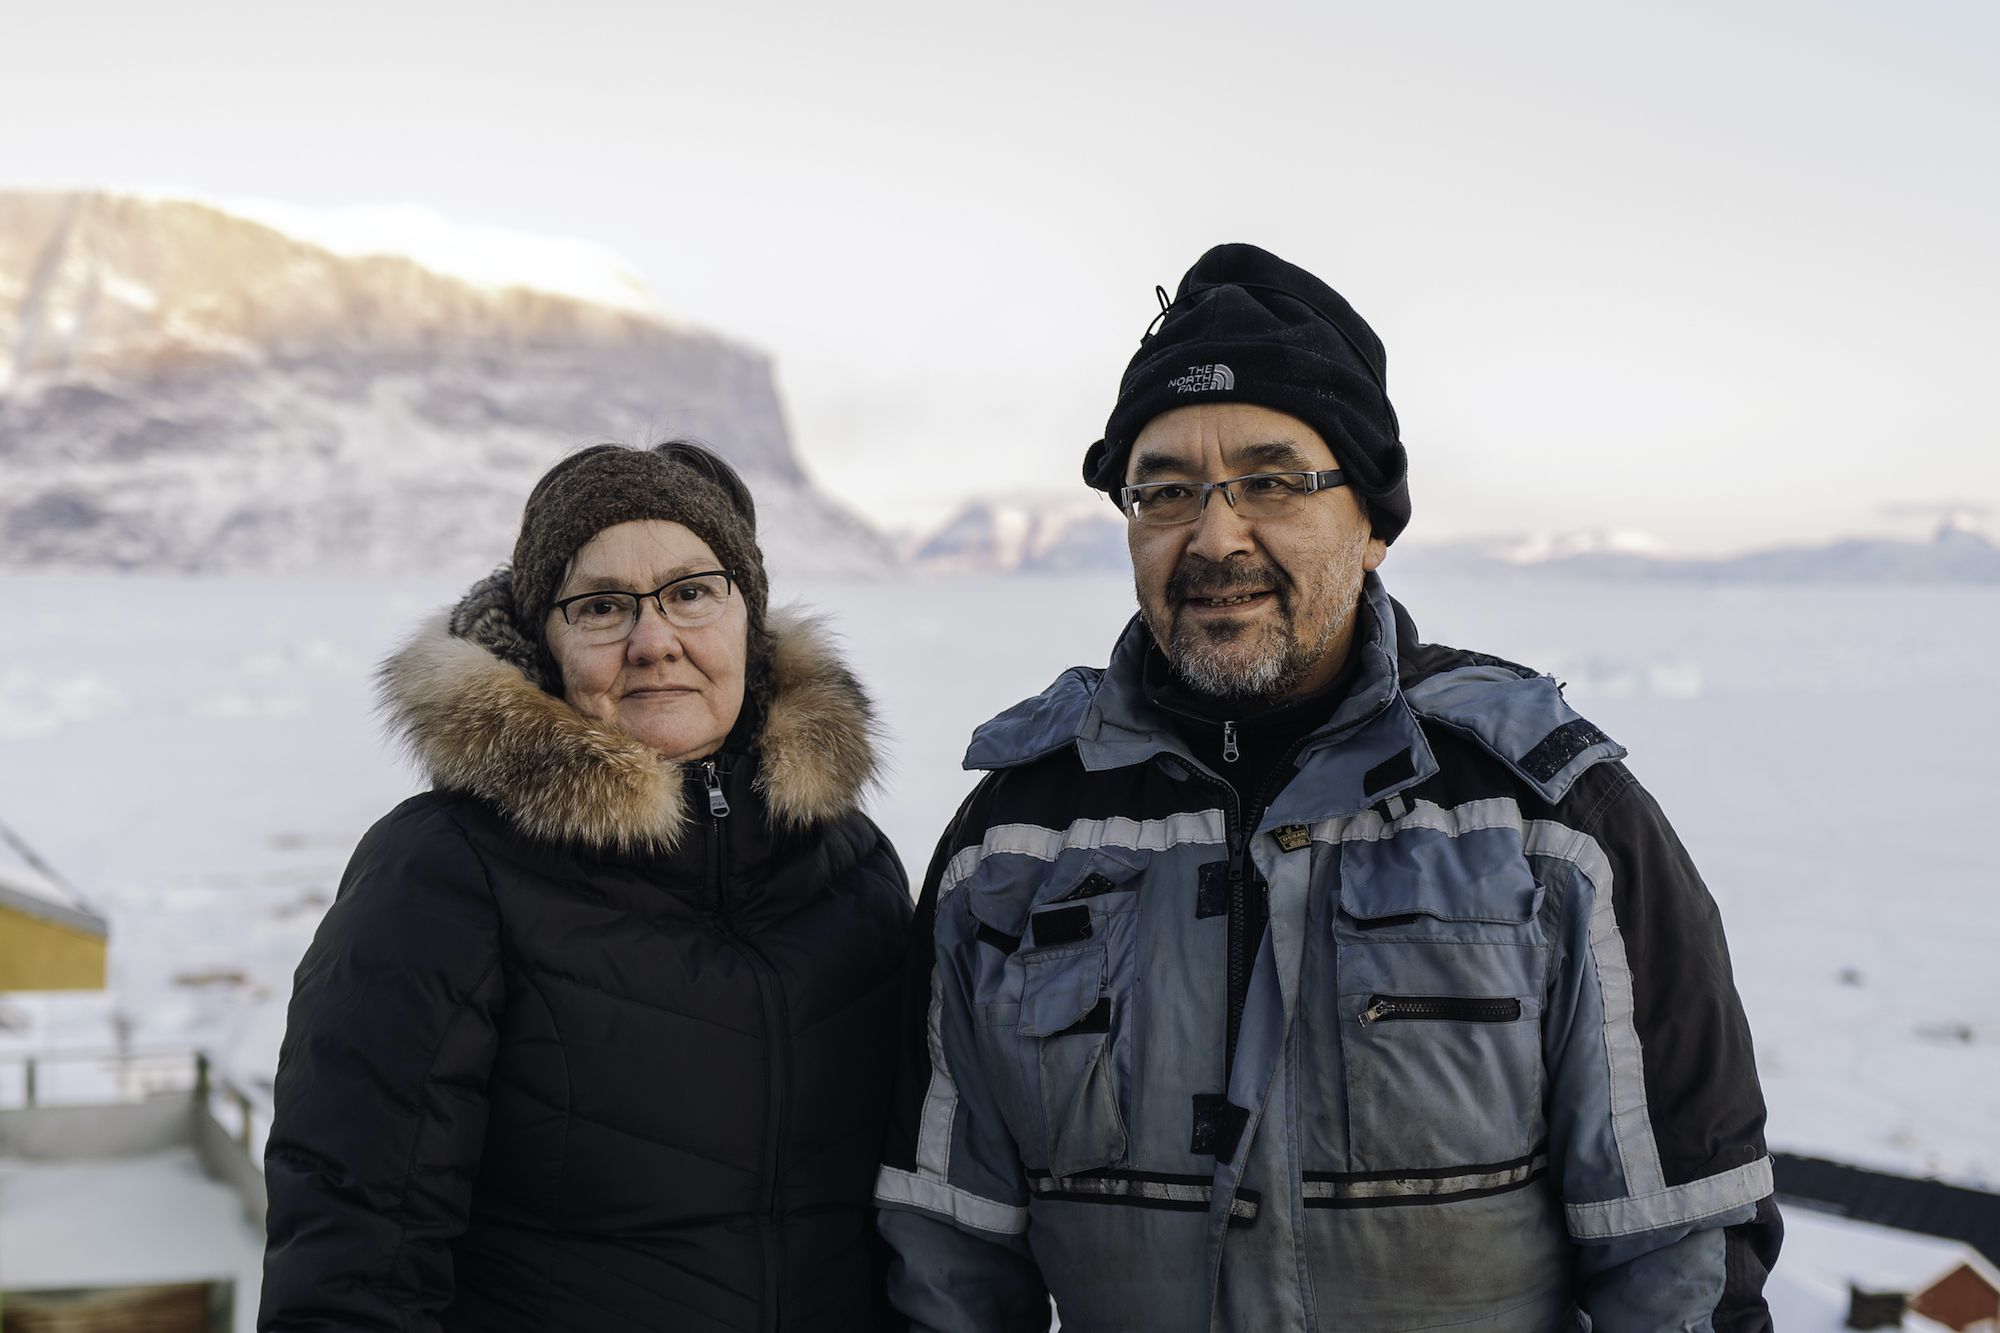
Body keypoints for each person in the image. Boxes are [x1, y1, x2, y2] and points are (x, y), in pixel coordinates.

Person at [873, 245, 1780, 1332]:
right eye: (1164, 490)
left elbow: (1678, 1255)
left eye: (1270, 482)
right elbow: (944, 1261)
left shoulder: (1548, 821)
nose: (1214, 536)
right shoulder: (1014, 839)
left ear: (1373, 521)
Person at [260, 442, 912, 1332]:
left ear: (746, 620)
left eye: (691, 590)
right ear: (545, 641)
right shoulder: (443, 872)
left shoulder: (855, 870)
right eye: (602, 606)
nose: (654, 641)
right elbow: (353, 1260)